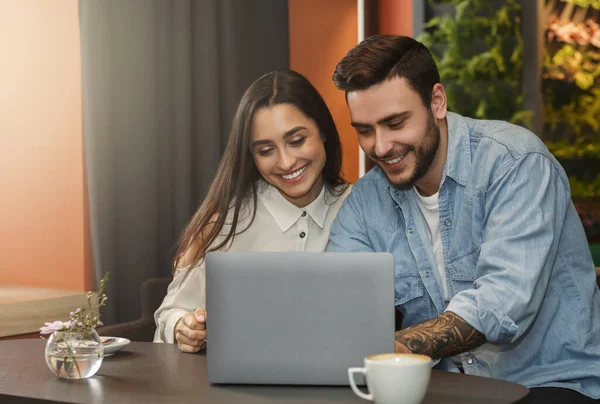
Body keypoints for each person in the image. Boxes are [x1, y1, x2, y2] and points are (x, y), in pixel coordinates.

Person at [327, 34, 600, 403]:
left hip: (548, 383)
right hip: (440, 388)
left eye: (395, 123)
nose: (380, 146)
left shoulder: (515, 163)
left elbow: (501, 303)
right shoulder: (365, 202)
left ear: (436, 102)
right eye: (364, 130)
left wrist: (397, 346)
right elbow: (339, 300)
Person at [154, 70, 350, 353]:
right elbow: (169, 313)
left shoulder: (360, 207)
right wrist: (181, 326)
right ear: (251, 155)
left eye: (296, 141)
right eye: (266, 150)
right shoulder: (227, 219)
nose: (286, 162)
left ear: (323, 132)